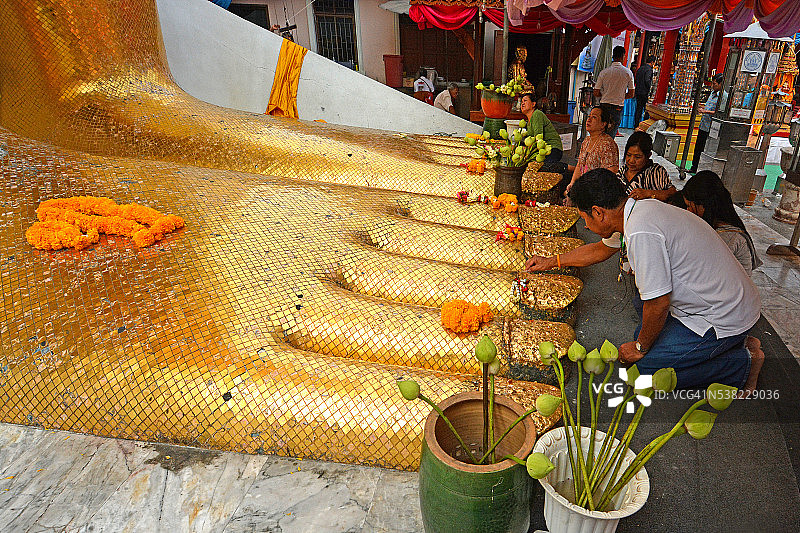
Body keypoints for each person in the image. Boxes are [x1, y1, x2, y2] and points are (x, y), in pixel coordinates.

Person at [531, 168, 762, 391]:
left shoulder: (641, 231)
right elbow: (599, 251)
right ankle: (726, 344)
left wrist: (641, 347)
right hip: (720, 299)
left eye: (585, 218)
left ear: (599, 212)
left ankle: (741, 362)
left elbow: (659, 302)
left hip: (724, 314)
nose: (585, 225)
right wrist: (551, 261)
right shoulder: (638, 211)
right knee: (641, 316)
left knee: (643, 371)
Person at [681, 170, 762, 275]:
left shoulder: (727, 237)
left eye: (689, 206)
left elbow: (701, 272)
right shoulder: (715, 228)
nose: (688, 211)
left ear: (704, 205)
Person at [565, 106, 619, 196]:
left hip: (596, 191)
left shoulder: (607, 144)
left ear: (603, 124)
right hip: (583, 186)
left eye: (594, 117)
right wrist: (572, 183)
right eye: (589, 116)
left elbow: (610, 173)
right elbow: (579, 165)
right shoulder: (587, 140)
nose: (588, 120)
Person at [618, 131, 676, 201]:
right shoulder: (622, 171)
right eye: (628, 155)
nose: (631, 161)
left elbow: (672, 193)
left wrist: (649, 193)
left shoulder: (656, 172)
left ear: (648, 156)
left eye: (637, 157)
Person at [594, 46, 635, 138]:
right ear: (623, 56)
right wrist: (620, 96)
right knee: (611, 135)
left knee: (600, 133)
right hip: (617, 107)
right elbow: (631, 93)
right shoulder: (628, 73)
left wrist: (605, 94)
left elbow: (596, 92)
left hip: (604, 106)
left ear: (613, 56)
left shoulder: (604, 72)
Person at [690, 74, 724, 174]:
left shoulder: (723, 96)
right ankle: (694, 167)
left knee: (706, 149)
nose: (713, 86)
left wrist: (706, 112)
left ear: (721, 84)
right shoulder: (712, 93)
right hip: (704, 124)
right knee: (698, 147)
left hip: (712, 127)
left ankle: (701, 169)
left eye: (715, 84)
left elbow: (719, 112)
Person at [520, 93, 563, 164]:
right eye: (521, 102)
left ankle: (569, 168)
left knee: (543, 167)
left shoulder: (537, 114)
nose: (522, 104)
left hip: (553, 148)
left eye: (525, 101)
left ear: (533, 104)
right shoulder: (528, 122)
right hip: (541, 150)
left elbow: (539, 138)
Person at [633, 56, 654, 127]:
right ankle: (644, 125)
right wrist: (650, 88)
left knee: (638, 109)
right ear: (652, 62)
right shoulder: (649, 70)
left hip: (638, 91)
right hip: (645, 92)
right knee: (646, 110)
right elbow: (647, 80)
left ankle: (636, 125)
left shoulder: (640, 68)